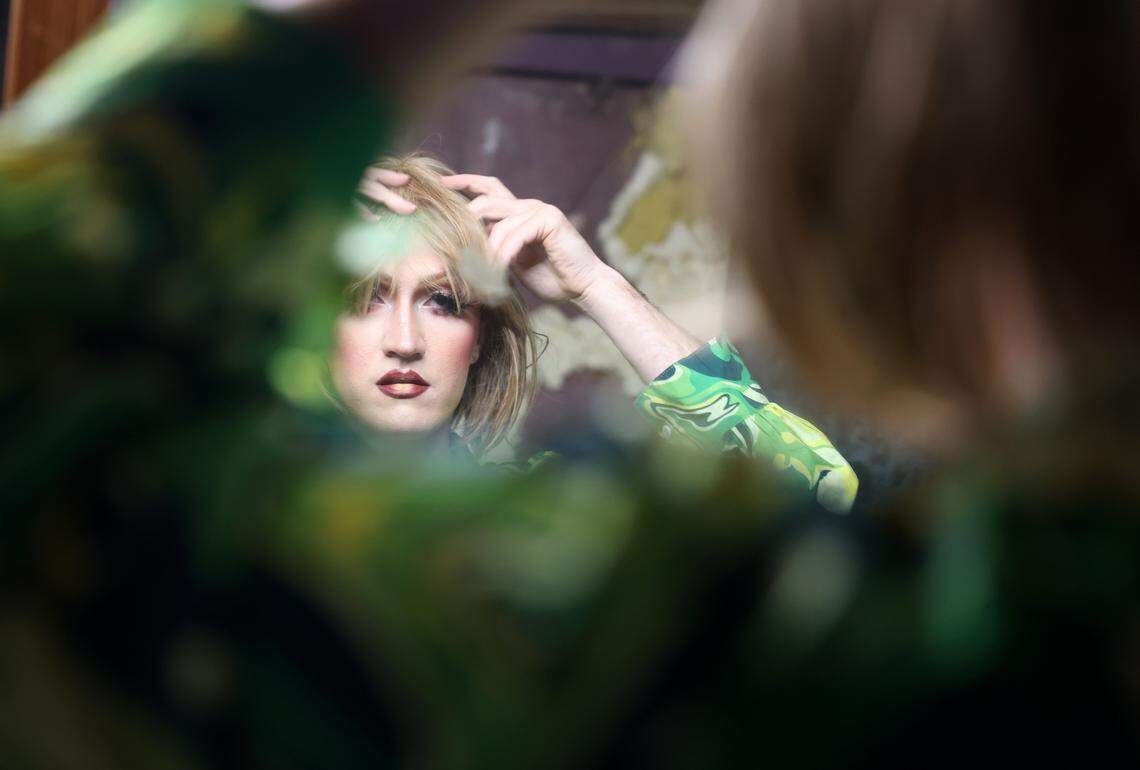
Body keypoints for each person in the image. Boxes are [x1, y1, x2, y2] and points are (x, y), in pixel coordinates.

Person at [336, 154, 860, 510]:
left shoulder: (544, 513)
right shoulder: (253, 526)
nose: (403, 341)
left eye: (443, 303)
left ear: (479, 340)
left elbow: (817, 487)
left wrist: (594, 285)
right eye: (363, 299)